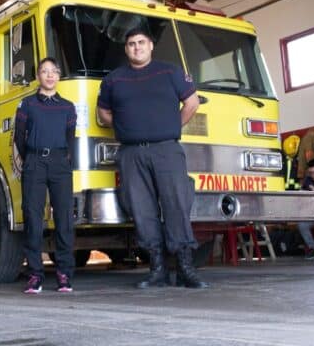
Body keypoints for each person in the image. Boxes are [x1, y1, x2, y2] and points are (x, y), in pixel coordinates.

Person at [97, 27, 207, 289]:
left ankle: (184, 269)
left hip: (166, 149)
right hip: (131, 153)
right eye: (132, 44)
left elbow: (192, 103)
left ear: (151, 46)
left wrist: (172, 127)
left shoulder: (170, 71)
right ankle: (157, 270)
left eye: (141, 43)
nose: (137, 47)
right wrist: (126, 127)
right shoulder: (114, 79)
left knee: (176, 205)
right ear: (126, 49)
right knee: (141, 209)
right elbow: (103, 114)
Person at [14, 57, 77, 293]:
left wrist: (65, 160)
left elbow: (71, 137)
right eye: (44, 71)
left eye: (54, 71)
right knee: (32, 217)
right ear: (38, 76)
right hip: (35, 163)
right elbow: (20, 137)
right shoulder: (27, 104)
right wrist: (31, 157)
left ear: (59, 76)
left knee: (64, 218)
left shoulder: (68, 107)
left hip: (60, 164)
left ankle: (63, 273)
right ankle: (35, 274)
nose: (49, 75)